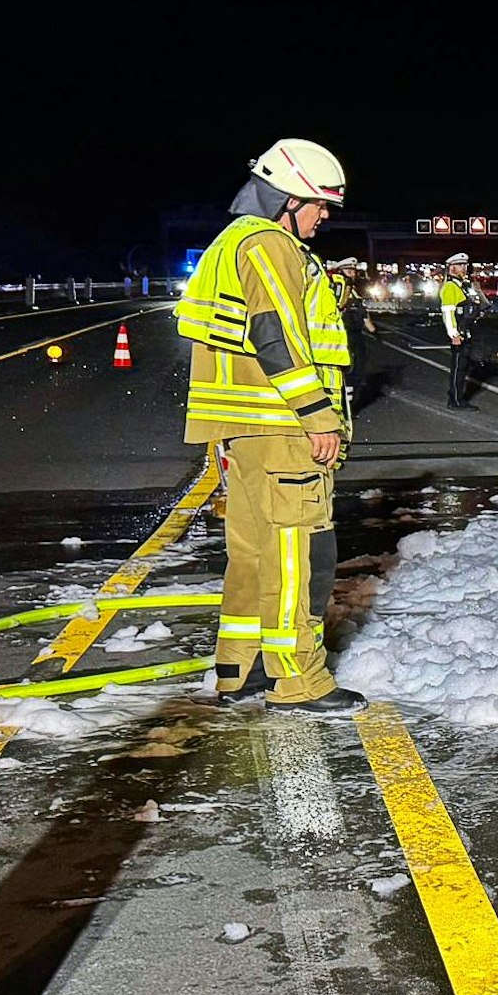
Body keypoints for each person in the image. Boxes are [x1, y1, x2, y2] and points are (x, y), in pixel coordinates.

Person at [174, 138, 364, 716]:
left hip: (248, 427)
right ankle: (298, 679)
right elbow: (274, 332)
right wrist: (317, 414)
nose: (324, 215)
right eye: (320, 203)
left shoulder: (234, 242)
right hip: (281, 426)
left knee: (253, 552)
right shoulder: (270, 245)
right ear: (287, 198)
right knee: (296, 553)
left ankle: (241, 669)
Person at [327, 258, 379, 414]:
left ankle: (350, 406)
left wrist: (373, 330)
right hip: (342, 335)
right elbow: (337, 307)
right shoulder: (335, 288)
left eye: (353, 271)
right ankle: (343, 407)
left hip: (356, 336)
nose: (352, 274)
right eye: (348, 271)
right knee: (346, 373)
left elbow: (362, 313)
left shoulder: (354, 291)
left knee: (358, 372)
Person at [438, 251, 486, 408]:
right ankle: (456, 401)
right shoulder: (450, 287)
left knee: (463, 367)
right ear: (451, 268)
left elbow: (475, 304)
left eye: (465, 265)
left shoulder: (463, 286)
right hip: (459, 332)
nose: (464, 268)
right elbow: (448, 312)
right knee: (458, 368)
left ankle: (457, 398)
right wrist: (454, 334)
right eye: (460, 265)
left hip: (467, 331)